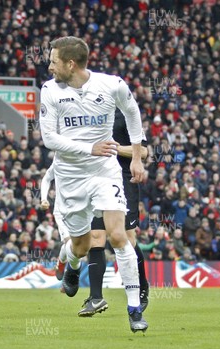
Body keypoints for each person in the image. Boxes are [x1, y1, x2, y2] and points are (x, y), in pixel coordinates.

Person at [40, 36, 147, 333]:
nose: (50, 66)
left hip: (104, 171)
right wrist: (89, 148)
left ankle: (134, 308)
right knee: (81, 245)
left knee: (117, 235)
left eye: (54, 61)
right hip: (70, 177)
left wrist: (136, 157)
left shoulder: (111, 84)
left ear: (70, 64)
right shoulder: (49, 90)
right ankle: (72, 266)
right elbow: (49, 138)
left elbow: (133, 113)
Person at [79, 110, 150, 317]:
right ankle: (95, 297)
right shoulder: (88, 116)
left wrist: (115, 148)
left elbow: (144, 152)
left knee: (126, 236)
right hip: (95, 182)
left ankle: (142, 284)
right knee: (95, 236)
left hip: (123, 181)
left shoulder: (127, 116)